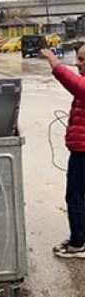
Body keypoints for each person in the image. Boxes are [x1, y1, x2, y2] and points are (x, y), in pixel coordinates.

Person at [42, 46, 85, 258]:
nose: (77, 63)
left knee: (75, 197)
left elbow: (77, 86)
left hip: (83, 153)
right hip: (80, 150)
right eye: (78, 58)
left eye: (82, 59)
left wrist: (54, 63)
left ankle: (78, 243)